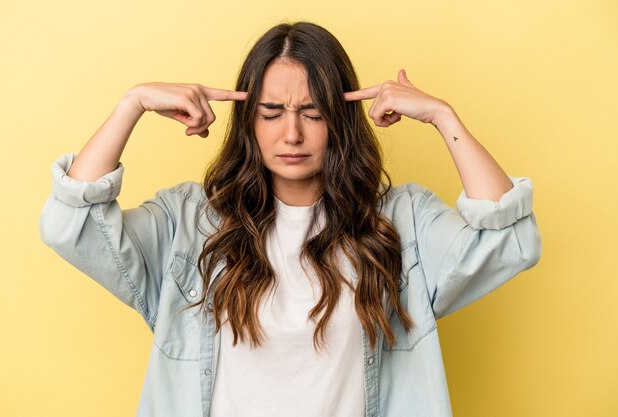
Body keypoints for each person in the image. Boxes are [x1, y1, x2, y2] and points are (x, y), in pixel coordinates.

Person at [40, 21, 541, 417]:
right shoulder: (190, 223)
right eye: (272, 111)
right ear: (248, 120)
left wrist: (442, 116)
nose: (292, 134)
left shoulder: (398, 221)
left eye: (314, 111)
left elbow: (509, 241)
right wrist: (133, 103)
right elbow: (73, 226)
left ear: (341, 119)